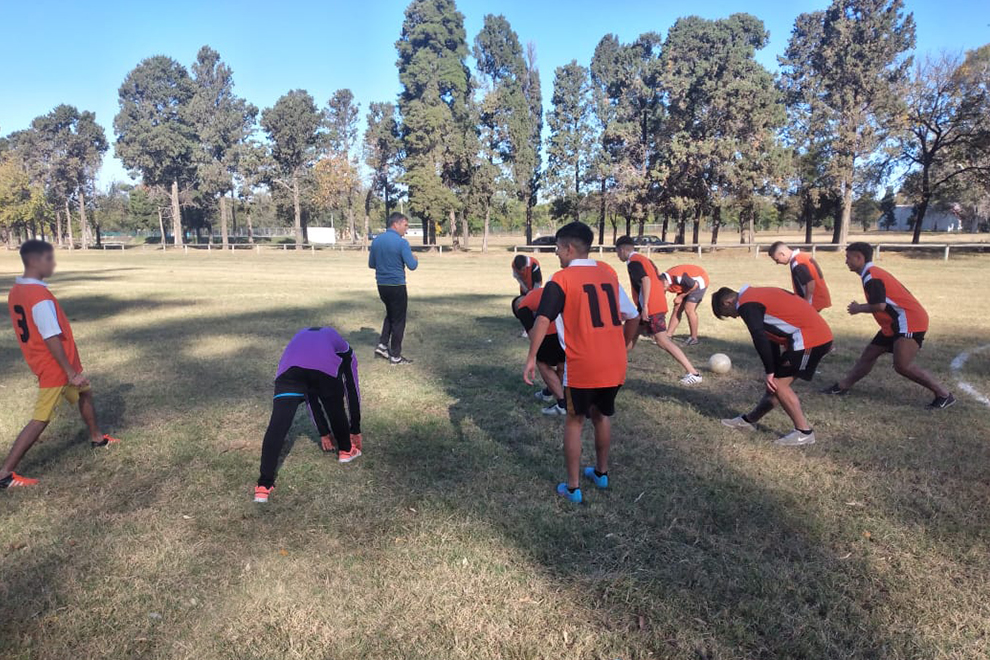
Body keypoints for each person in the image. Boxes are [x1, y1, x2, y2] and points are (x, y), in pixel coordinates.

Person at [523, 222, 639, 504]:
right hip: (614, 363)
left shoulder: (561, 280)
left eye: (558, 249)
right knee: (601, 416)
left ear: (569, 248)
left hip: (583, 364)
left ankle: (573, 488)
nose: (557, 255)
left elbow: (542, 319)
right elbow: (633, 315)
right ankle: (601, 473)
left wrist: (530, 358)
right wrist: (625, 346)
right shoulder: (608, 274)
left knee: (574, 421)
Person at [3, 240, 120, 490]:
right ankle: (5, 473)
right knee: (40, 419)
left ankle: (97, 438)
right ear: (35, 261)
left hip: (44, 361)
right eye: (49, 259)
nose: (54, 263)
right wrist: (69, 372)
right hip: (55, 368)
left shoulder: (17, 290)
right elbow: (50, 336)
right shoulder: (39, 296)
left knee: (86, 392)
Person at [822, 242, 955, 409]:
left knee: (902, 365)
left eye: (848, 258)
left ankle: (943, 394)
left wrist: (858, 308)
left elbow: (879, 306)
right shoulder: (870, 274)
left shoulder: (872, 276)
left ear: (859, 257)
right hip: (894, 322)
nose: (846, 261)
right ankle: (842, 387)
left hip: (909, 321)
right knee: (869, 354)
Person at [712, 285, 833, 446]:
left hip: (810, 339)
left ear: (727, 302)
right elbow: (770, 338)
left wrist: (769, 371)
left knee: (777, 384)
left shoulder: (746, 304)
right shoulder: (753, 295)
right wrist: (773, 369)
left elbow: (759, 336)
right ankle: (749, 421)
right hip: (810, 337)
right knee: (776, 385)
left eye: (728, 314)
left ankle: (804, 432)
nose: (734, 317)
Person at [255, 326, 363, 503]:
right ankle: (345, 451)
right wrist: (355, 429)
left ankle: (263, 487)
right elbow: (352, 388)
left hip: (288, 372)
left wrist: (323, 432)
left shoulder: (303, 335)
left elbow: (310, 393)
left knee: (277, 425)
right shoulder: (346, 351)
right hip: (321, 371)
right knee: (335, 404)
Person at [615, 236, 703, 385]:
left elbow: (646, 280)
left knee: (662, 340)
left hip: (651, 307)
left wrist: (646, 307)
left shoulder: (634, 262)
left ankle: (693, 373)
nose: (617, 256)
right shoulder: (643, 259)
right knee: (631, 333)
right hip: (650, 305)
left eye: (617, 252)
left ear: (622, 249)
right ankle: (615, 365)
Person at [369, 212, 418, 365]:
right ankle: (395, 356)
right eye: (405, 225)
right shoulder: (401, 243)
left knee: (391, 314)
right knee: (399, 320)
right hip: (396, 285)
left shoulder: (377, 241)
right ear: (396, 224)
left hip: (381, 285)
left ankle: (383, 345)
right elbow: (412, 265)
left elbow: (371, 264)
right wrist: (415, 258)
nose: (407, 229)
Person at [512, 287, 566, 415]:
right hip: (566, 330)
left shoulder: (523, 307)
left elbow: (534, 335)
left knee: (542, 363)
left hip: (550, 333)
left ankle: (562, 404)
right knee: (561, 364)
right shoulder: (542, 291)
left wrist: (533, 355)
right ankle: (548, 392)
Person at [768, 241, 832, 312]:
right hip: (819, 297)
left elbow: (810, 282)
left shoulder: (797, 262)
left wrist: (806, 303)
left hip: (814, 301)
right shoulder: (802, 255)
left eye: (777, 260)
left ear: (782, 254)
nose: (777, 263)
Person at [661, 264, 709, 345]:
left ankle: (694, 338)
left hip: (698, 282)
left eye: (664, 288)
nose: (664, 290)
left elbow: (694, 285)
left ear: (666, 282)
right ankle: (668, 335)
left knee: (689, 309)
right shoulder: (663, 279)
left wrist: (681, 296)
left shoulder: (678, 278)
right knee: (677, 308)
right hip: (686, 285)